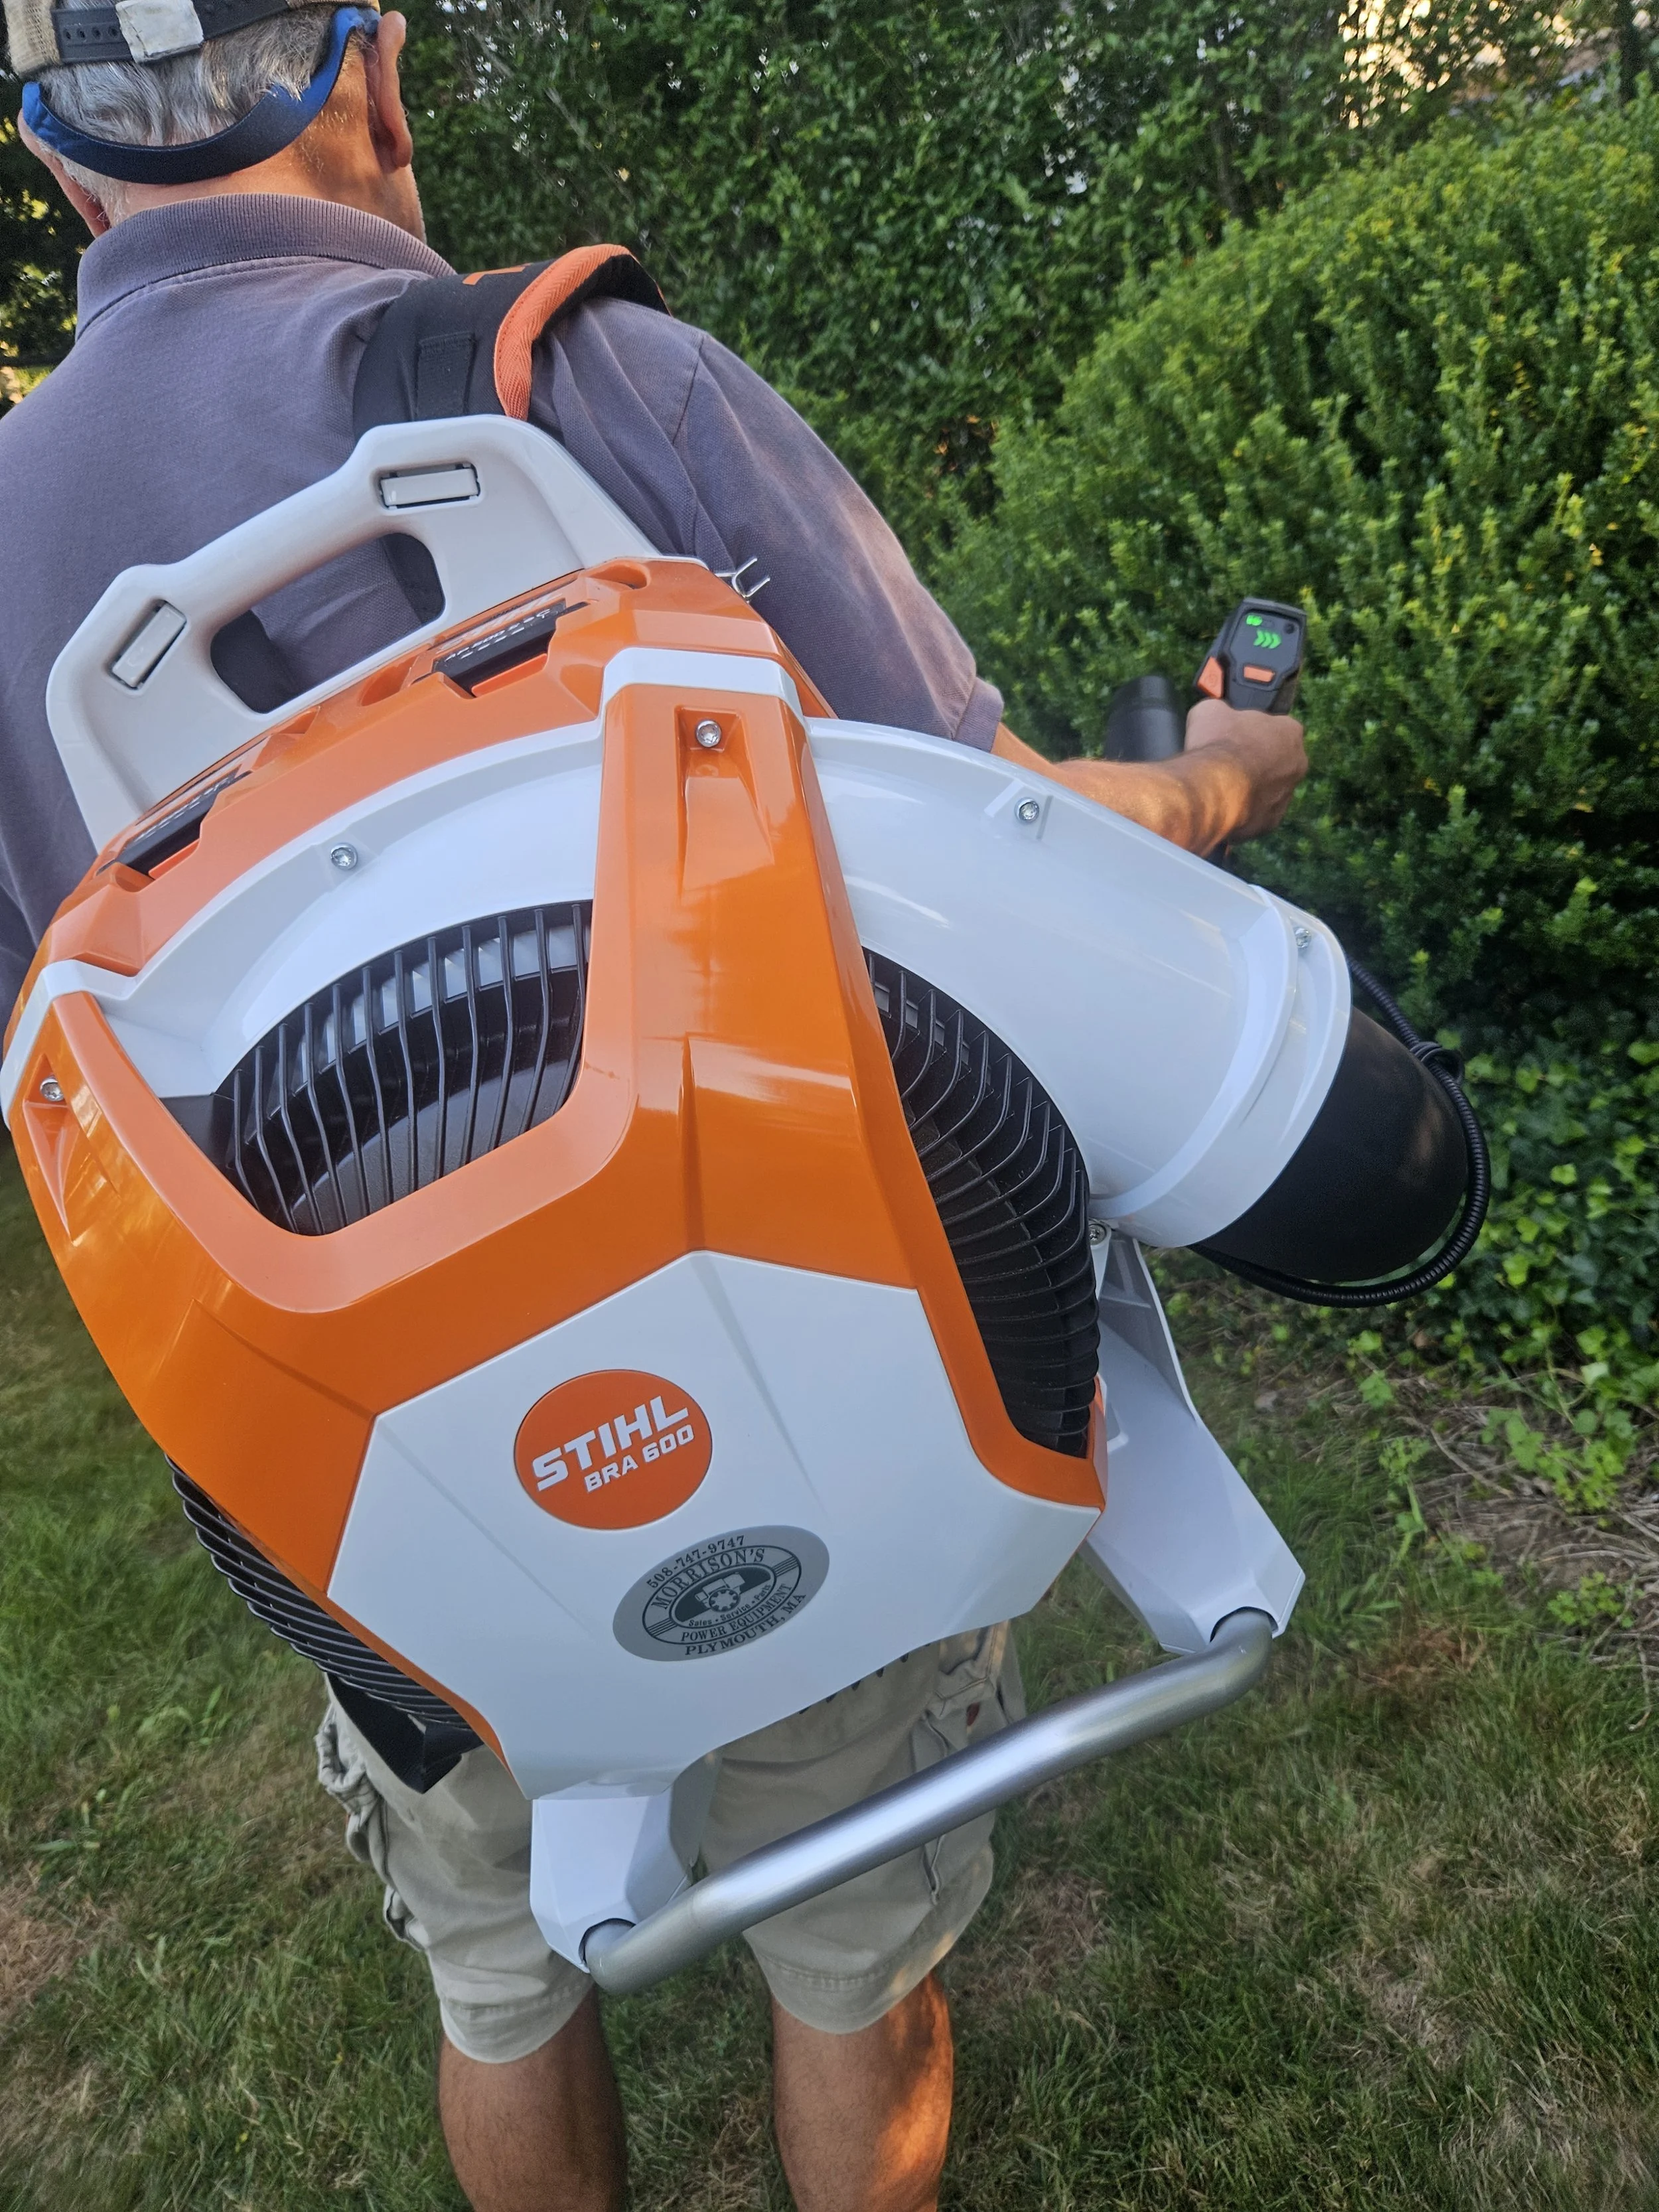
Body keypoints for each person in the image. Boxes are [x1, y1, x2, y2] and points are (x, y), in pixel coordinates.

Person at [0, 7, 1308, 2207]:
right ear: (377, 76)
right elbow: (991, 853)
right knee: (844, 1946)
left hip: (390, 1503)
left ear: (51, 168)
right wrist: (1221, 773)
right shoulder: (599, 380)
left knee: (500, 1974)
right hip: (820, 1371)